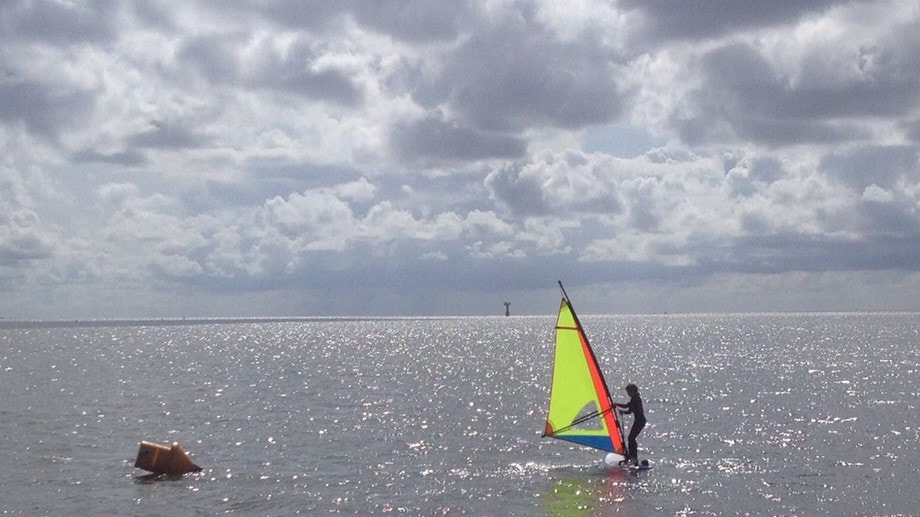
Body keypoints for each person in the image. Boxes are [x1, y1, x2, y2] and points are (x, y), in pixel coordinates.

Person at [614, 383, 645, 466]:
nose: (628, 394)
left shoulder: (636, 398)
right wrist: (623, 412)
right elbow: (630, 411)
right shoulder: (633, 398)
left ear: (632, 391)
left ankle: (633, 457)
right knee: (631, 438)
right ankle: (632, 457)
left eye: (628, 392)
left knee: (631, 438)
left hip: (640, 421)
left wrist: (617, 404)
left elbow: (627, 405)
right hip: (638, 420)